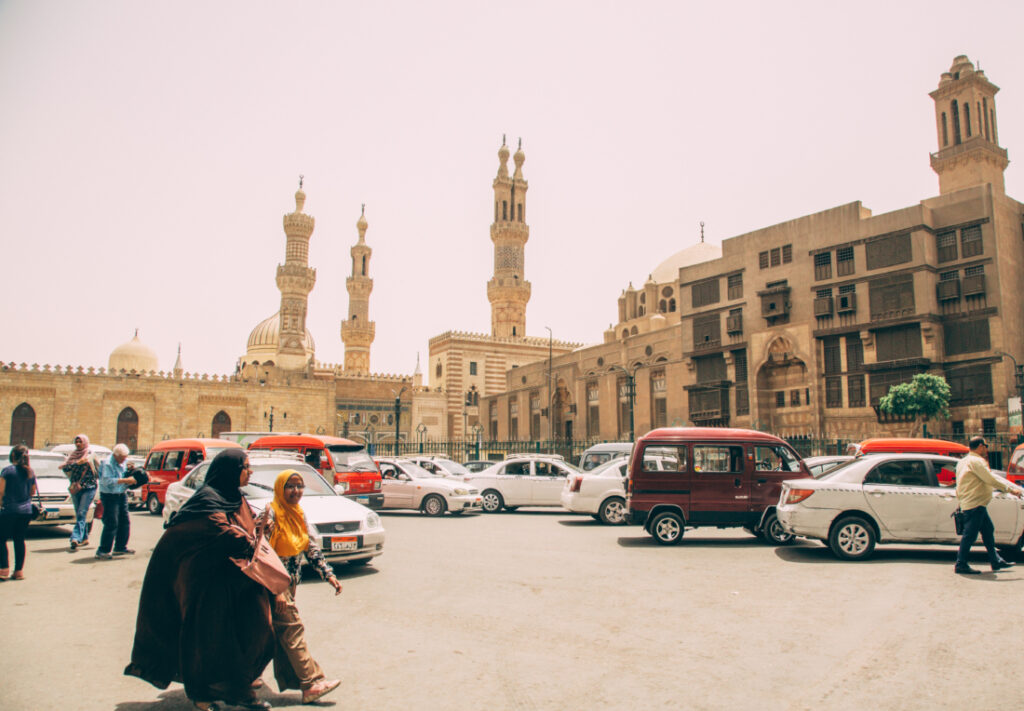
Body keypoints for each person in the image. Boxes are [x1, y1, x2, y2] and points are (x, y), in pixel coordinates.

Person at [124, 449, 275, 710]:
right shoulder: (206, 500)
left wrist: (261, 527)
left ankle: (238, 690)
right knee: (208, 643)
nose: (250, 472)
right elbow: (220, 532)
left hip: (238, 583)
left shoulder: (235, 497)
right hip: (207, 587)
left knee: (257, 631)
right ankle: (205, 697)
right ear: (230, 470)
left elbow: (243, 528)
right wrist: (251, 540)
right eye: (246, 467)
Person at [261, 469, 342, 705]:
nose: (296, 491)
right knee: (292, 630)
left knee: (277, 634)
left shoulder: (298, 514)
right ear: (280, 488)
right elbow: (263, 554)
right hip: (274, 584)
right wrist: (276, 590)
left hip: (290, 584)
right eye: (290, 486)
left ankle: (248, 678)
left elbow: (310, 548)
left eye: (300, 486)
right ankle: (311, 683)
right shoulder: (271, 514)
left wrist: (329, 576)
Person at [954, 435, 1024, 575]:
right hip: (975, 503)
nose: (987, 448)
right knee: (970, 535)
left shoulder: (963, 461)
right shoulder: (977, 461)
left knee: (987, 530)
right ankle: (961, 564)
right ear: (980, 446)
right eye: (986, 445)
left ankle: (995, 560)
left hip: (974, 502)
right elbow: (990, 479)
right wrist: (1011, 489)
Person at [0, 445, 38, 580]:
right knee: (19, 539)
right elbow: (32, 492)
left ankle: (3, 569)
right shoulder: (30, 472)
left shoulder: (7, 471)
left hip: (9, 510)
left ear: (13, 456)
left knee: (1, 539)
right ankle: (18, 571)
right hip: (26, 511)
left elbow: (1, 491)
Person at [95, 443, 137, 560]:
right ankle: (103, 550)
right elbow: (106, 481)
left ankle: (120, 547)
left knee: (124, 521)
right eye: (122, 457)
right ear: (116, 455)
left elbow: (124, 471)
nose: (124, 460)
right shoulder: (108, 463)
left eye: (125, 457)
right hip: (109, 495)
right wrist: (125, 480)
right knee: (111, 522)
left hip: (121, 493)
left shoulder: (123, 461)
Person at [61, 434, 99, 551]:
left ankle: (75, 538)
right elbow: (65, 468)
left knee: (82, 512)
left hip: (89, 487)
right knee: (79, 513)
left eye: (80, 442)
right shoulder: (73, 455)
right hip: (75, 487)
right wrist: (77, 463)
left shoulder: (90, 454)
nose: (78, 444)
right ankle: (84, 538)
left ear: (85, 442)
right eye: (76, 442)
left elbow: (99, 469)